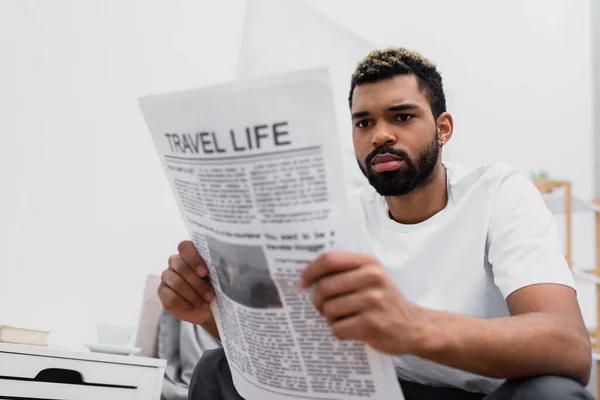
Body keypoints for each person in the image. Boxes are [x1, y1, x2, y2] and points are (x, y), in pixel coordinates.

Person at [158, 48, 593, 399]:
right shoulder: (341, 212)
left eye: (402, 117)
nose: (380, 135)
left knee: (552, 393)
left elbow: (569, 349)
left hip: (481, 393)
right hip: (377, 394)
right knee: (216, 369)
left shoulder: (499, 191)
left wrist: (412, 326)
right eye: (364, 122)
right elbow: (298, 354)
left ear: (443, 128)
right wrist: (210, 317)